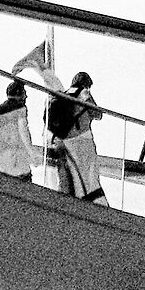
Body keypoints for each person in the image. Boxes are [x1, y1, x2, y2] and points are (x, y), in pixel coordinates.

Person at [45, 72, 106, 203]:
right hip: (82, 139)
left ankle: (71, 197)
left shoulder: (64, 94)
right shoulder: (84, 93)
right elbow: (98, 114)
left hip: (64, 140)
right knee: (89, 173)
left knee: (72, 172)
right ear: (87, 84)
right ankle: (93, 200)